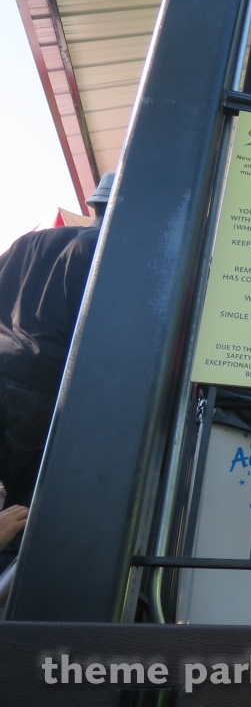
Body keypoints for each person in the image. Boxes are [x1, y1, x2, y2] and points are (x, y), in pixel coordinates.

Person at [0, 173, 112, 571]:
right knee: (21, 507)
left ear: (93, 205)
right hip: (35, 388)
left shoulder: (29, 242)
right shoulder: (103, 251)